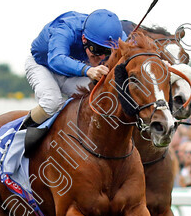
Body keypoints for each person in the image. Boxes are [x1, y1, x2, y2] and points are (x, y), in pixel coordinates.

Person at [21, 9, 124, 154]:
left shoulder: (117, 37)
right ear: (83, 39)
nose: (101, 57)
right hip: (43, 66)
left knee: (99, 98)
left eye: (107, 52)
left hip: (73, 71)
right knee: (52, 102)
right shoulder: (65, 28)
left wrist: (161, 64)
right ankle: (18, 138)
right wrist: (87, 70)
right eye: (97, 50)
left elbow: (136, 53)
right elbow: (56, 59)